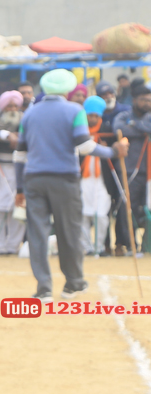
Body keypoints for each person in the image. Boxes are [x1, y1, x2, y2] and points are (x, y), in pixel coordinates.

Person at [18, 69, 124, 299]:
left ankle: (43, 288)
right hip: (64, 178)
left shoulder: (30, 113)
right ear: (67, 90)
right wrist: (112, 152)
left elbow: (20, 153)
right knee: (69, 231)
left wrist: (18, 188)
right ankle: (73, 283)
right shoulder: (75, 110)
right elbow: (84, 146)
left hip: (34, 178)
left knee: (37, 234)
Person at [109, 78, 150, 256]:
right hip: (129, 170)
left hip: (149, 173)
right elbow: (119, 130)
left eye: (149, 100)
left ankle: (147, 245)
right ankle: (131, 245)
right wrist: (143, 129)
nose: (147, 103)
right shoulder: (123, 116)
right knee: (127, 208)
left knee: (147, 208)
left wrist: (135, 126)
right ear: (134, 100)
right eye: (143, 100)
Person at [0, 90, 26, 255]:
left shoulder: (24, 117)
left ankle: (13, 246)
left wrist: (19, 137)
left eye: (15, 106)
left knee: (18, 206)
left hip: (19, 168)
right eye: (9, 106)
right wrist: (8, 135)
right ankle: (0, 246)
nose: (12, 109)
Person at [80, 95, 111, 256]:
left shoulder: (107, 130)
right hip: (82, 179)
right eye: (89, 115)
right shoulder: (79, 130)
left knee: (101, 215)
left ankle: (99, 247)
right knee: (83, 215)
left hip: (102, 180)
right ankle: (87, 248)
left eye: (95, 116)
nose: (92, 119)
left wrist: (107, 147)